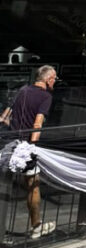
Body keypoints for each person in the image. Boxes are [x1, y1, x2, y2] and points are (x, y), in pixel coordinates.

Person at [1, 65, 58, 239]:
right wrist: (32, 147)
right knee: (33, 186)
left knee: (3, 185)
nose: (55, 81)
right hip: (25, 148)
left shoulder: (23, 90)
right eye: (55, 78)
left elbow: (4, 117)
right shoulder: (46, 97)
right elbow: (37, 124)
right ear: (48, 79)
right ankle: (36, 227)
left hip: (8, 143)